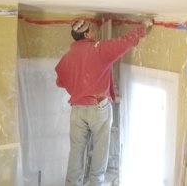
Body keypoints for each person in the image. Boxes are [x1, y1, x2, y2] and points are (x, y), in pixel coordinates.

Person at [55, 18, 152, 186]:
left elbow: (60, 81)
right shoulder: (99, 49)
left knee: (76, 152)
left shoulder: (68, 57)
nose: (94, 32)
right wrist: (143, 27)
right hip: (98, 108)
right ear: (86, 34)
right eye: (91, 30)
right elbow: (124, 42)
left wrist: (78, 86)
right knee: (100, 151)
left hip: (77, 110)